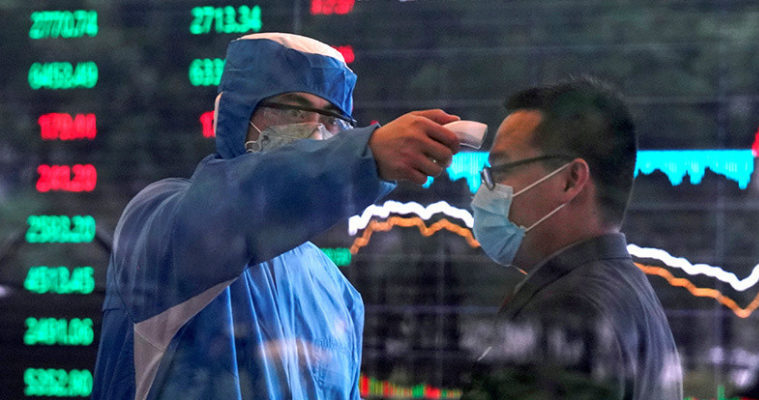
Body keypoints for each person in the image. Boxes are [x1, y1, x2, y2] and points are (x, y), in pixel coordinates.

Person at [91, 32, 460, 400]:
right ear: (236, 117)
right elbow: (244, 202)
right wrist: (369, 155)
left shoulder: (337, 293)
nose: (315, 133)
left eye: (332, 119)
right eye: (292, 112)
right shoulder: (161, 222)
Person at [463, 77, 683, 399]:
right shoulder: (627, 291)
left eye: (501, 170)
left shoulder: (570, 311)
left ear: (570, 179)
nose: (484, 189)